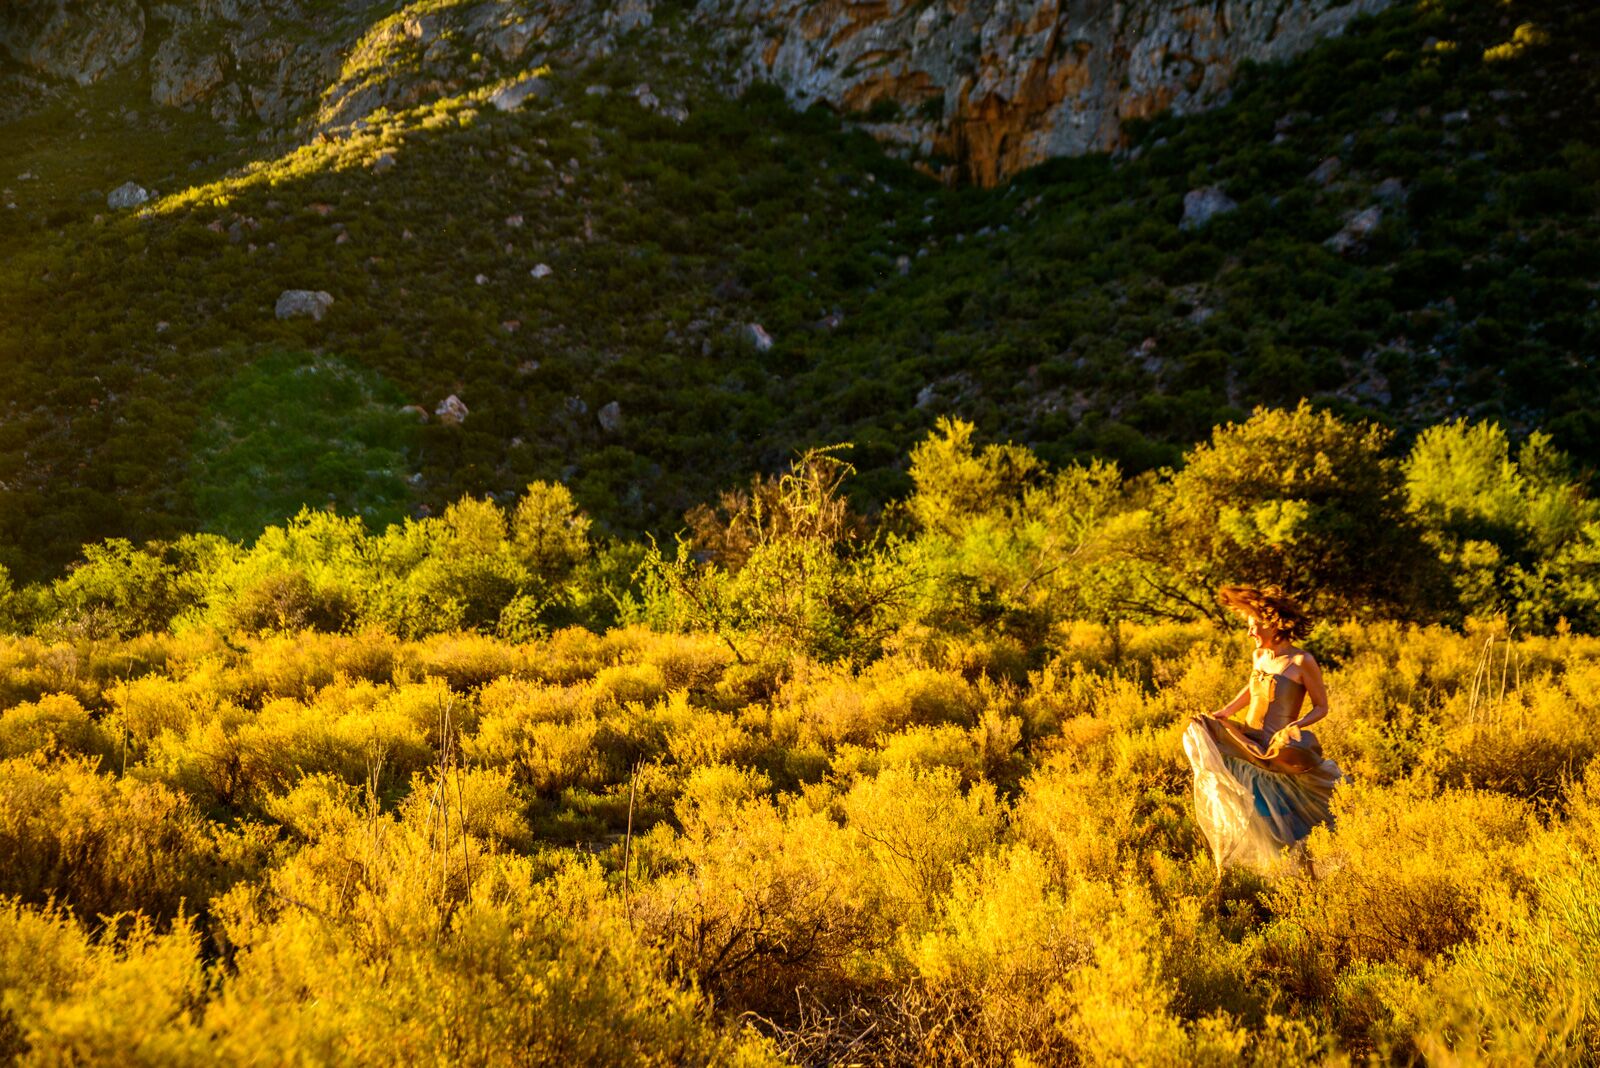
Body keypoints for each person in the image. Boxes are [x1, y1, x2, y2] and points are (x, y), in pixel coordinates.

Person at [1182, 585, 1343, 871]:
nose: (1249, 633)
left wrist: (1295, 726)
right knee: (1257, 814)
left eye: (1254, 626)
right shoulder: (1260, 656)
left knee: (1283, 819)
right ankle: (1277, 873)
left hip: (1276, 751)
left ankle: (1303, 871)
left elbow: (1322, 707)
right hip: (1250, 744)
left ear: (1273, 625)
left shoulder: (1301, 661)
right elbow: (1251, 688)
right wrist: (1226, 712)